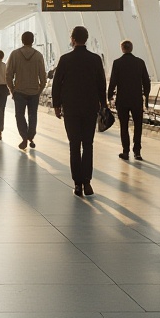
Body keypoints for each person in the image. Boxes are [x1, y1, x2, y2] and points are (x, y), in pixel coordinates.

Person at [52, 26, 108, 196]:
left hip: (71, 109)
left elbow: (56, 83)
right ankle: (87, 182)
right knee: (88, 145)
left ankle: (77, 184)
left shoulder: (65, 59)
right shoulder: (95, 59)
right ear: (86, 38)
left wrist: (57, 104)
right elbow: (101, 84)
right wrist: (103, 104)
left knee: (74, 146)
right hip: (90, 108)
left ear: (73, 39)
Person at [108, 40, 151, 161]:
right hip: (136, 100)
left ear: (122, 48)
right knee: (138, 126)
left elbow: (113, 81)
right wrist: (146, 96)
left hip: (122, 100)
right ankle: (137, 151)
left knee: (124, 126)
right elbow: (146, 82)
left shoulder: (117, 63)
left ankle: (125, 151)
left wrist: (109, 96)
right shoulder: (140, 62)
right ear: (131, 48)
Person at [5, 30, 47, 150]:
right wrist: (39, 89)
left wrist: (12, 89)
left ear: (22, 40)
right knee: (33, 115)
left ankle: (24, 137)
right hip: (34, 91)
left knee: (19, 115)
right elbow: (43, 76)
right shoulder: (38, 55)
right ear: (33, 41)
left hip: (19, 91)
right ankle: (31, 135)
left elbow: (8, 74)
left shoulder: (14, 54)